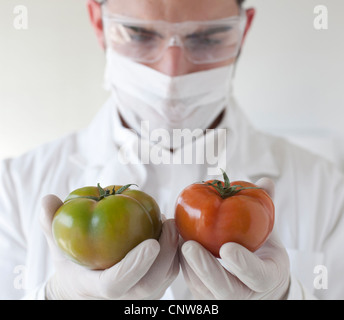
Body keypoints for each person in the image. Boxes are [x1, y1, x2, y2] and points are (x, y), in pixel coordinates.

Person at [0, 0, 343, 300]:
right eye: (138, 34)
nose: (172, 72)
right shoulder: (13, 187)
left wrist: (284, 296)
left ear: (243, 31)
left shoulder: (328, 189)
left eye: (207, 37)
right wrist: (56, 297)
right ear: (98, 22)